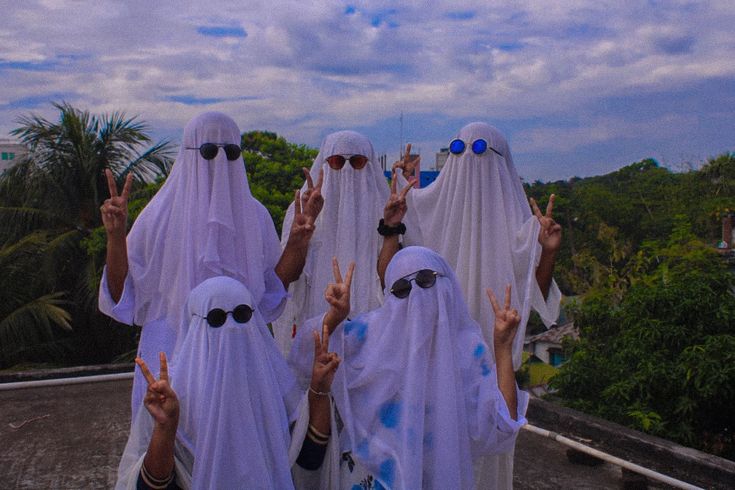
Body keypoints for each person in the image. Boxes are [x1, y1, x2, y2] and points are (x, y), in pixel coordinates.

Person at [99, 111, 320, 417]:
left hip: (241, 357)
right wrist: (115, 236)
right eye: (208, 152)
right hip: (170, 356)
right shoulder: (158, 217)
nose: (219, 161)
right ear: (189, 152)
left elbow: (270, 293)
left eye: (230, 152)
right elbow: (123, 294)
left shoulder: (254, 216)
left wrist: (297, 242)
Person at [381, 122, 562, 488]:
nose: (468, 160)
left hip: (495, 363)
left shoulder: (524, 229)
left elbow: (534, 294)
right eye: (459, 151)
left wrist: (548, 252)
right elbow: (389, 278)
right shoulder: (423, 210)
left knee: (489, 456)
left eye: (479, 151)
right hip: (432, 360)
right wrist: (393, 225)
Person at [289, 247, 527, 489]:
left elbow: (502, 424)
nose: (415, 295)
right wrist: (334, 317)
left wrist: (503, 348)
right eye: (401, 289)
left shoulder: (467, 352)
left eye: (425, 280)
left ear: (447, 285)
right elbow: (303, 359)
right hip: (368, 478)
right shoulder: (371, 336)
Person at [115, 276, 342, 489]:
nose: (232, 327)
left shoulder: (274, 381)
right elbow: (149, 485)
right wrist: (166, 427)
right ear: (193, 324)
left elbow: (309, 459)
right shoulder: (168, 395)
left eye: (242, 315)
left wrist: (319, 391)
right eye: (217, 318)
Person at [274, 130, 415, 355]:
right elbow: (288, 281)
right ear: (325, 164)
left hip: (372, 333)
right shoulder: (302, 210)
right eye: (337, 162)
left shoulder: (386, 209)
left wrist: (390, 228)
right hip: (316, 327)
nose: (347, 170)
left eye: (357, 162)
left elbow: (388, 281)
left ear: (369, 166)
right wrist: (301, 235)